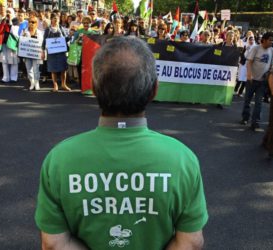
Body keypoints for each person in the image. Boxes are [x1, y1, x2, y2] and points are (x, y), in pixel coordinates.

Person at [35, 36, 208, 250]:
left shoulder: (59, 159)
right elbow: (191, 242)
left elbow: (53, 244)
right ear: (154, 90)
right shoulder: (183, 159)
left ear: (95, 89)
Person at [241, 32, 273, 131]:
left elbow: (271, 64)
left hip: (262, 82)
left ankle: (255, 122)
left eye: (272, 40)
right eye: (270, 40)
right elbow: (249, 62)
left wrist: (269, 74)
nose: (271, 42)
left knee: (258, 102)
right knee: (247, 100)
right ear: (263, 40)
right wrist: (249, 75)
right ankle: (245, 118)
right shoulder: (256, 48)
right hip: (252, 80)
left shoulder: (272, 50)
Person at [42, 13, 71, 92]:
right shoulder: (48, 29)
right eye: (54, 18)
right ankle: (55, 85)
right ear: (51, 19)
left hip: (61, 52)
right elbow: (44, 41)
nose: (56, 20)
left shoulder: (61, 28)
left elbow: (65, 39)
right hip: (51, 53)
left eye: (57, 18)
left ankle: (63, 84)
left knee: (63, 69)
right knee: (53, 69)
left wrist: (70, 36)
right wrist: (43, 51)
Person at [21, 16, 43, 91]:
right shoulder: (24, 31)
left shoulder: (40, 32)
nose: (31, 23)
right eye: (30, 22)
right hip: (26, 53)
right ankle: (32, 82)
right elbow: (21, 42)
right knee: (28, 69)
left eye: (33, 22)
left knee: (36, 69)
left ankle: (37, 83)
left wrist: (42, 53)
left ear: (36, 23)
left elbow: (41, 43)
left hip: (36, 53)